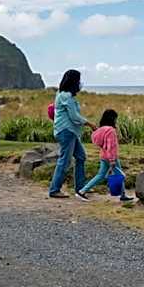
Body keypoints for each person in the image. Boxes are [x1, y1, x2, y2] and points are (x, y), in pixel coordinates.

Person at [48, 69, 95, 198]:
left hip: (70, 132)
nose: (80, 83)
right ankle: (54, 189)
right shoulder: (66, 96)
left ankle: (80, 187)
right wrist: (89, 124)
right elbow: (74, 117)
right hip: (66, 132)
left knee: (81, 157)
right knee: (64, 161)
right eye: (78, 81)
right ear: (74, 82)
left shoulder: (63, 95)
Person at [77, 109, 134, 202]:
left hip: (103, 155)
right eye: (116, 118)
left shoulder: (101, 129)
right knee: (120, 175)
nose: (116, 120)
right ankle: (82, 191)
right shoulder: (111, 131)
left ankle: (123, 195)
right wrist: (112, 160)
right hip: (111, 157)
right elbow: (111, 146)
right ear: (112, 119)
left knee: (101, 175)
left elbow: (97, 141)